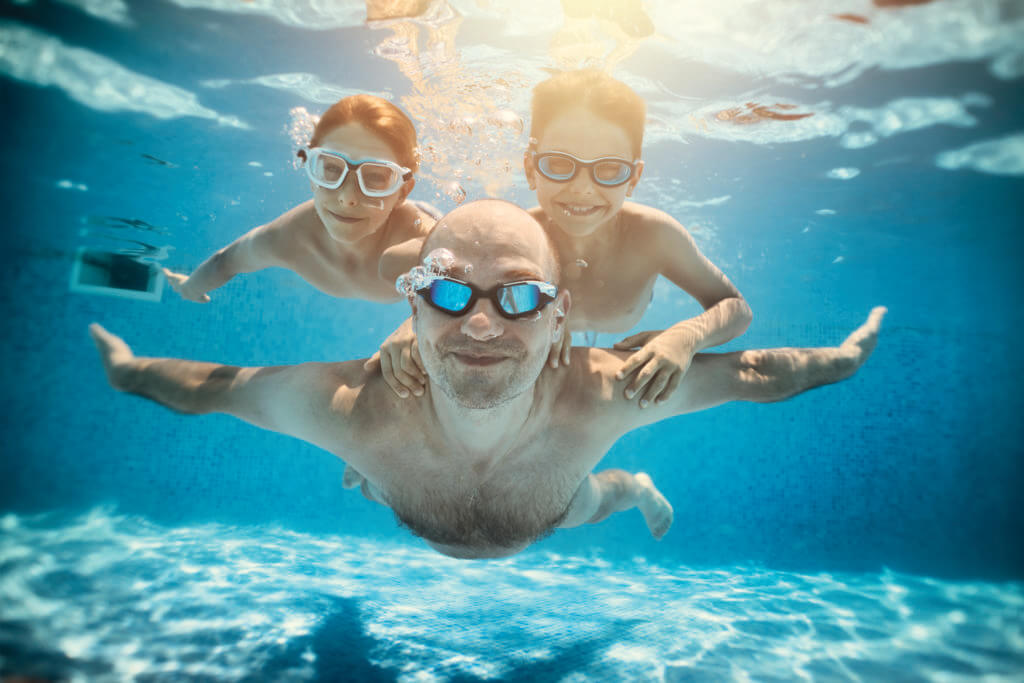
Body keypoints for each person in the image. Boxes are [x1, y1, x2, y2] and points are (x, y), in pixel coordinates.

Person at [91, 200, 885, 561]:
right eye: (443, 290)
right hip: (402, 469)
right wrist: (130, 371)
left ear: (559, 315)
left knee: (594, 498)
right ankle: (375, 478)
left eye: (516, 295)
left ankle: (638, 486)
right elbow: (214, 386)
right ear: (413, 303)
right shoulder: (353, 409)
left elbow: (750, 370)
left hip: (552, 498)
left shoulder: (604, 391)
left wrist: (842, 361)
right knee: (370, 467)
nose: (478, 324)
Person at [375, 70, 753, 410]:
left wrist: (685, 338)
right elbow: (392, 262)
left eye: (608, 170)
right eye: (559, 164)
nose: (582, 189)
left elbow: (735, 307)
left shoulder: (654, 236)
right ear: (529, 168)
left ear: (634, 179)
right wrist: (415, 322)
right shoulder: (514, 238)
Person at [163, 95, 436, 304]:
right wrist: (190, 288)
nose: (348, 197)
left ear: (403, 190)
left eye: (376, 177)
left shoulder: (425, 245)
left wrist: (411, 331)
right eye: (330, 168)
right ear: (312, 175)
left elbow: (470, 289)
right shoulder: (290, 238)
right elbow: (225, 262)